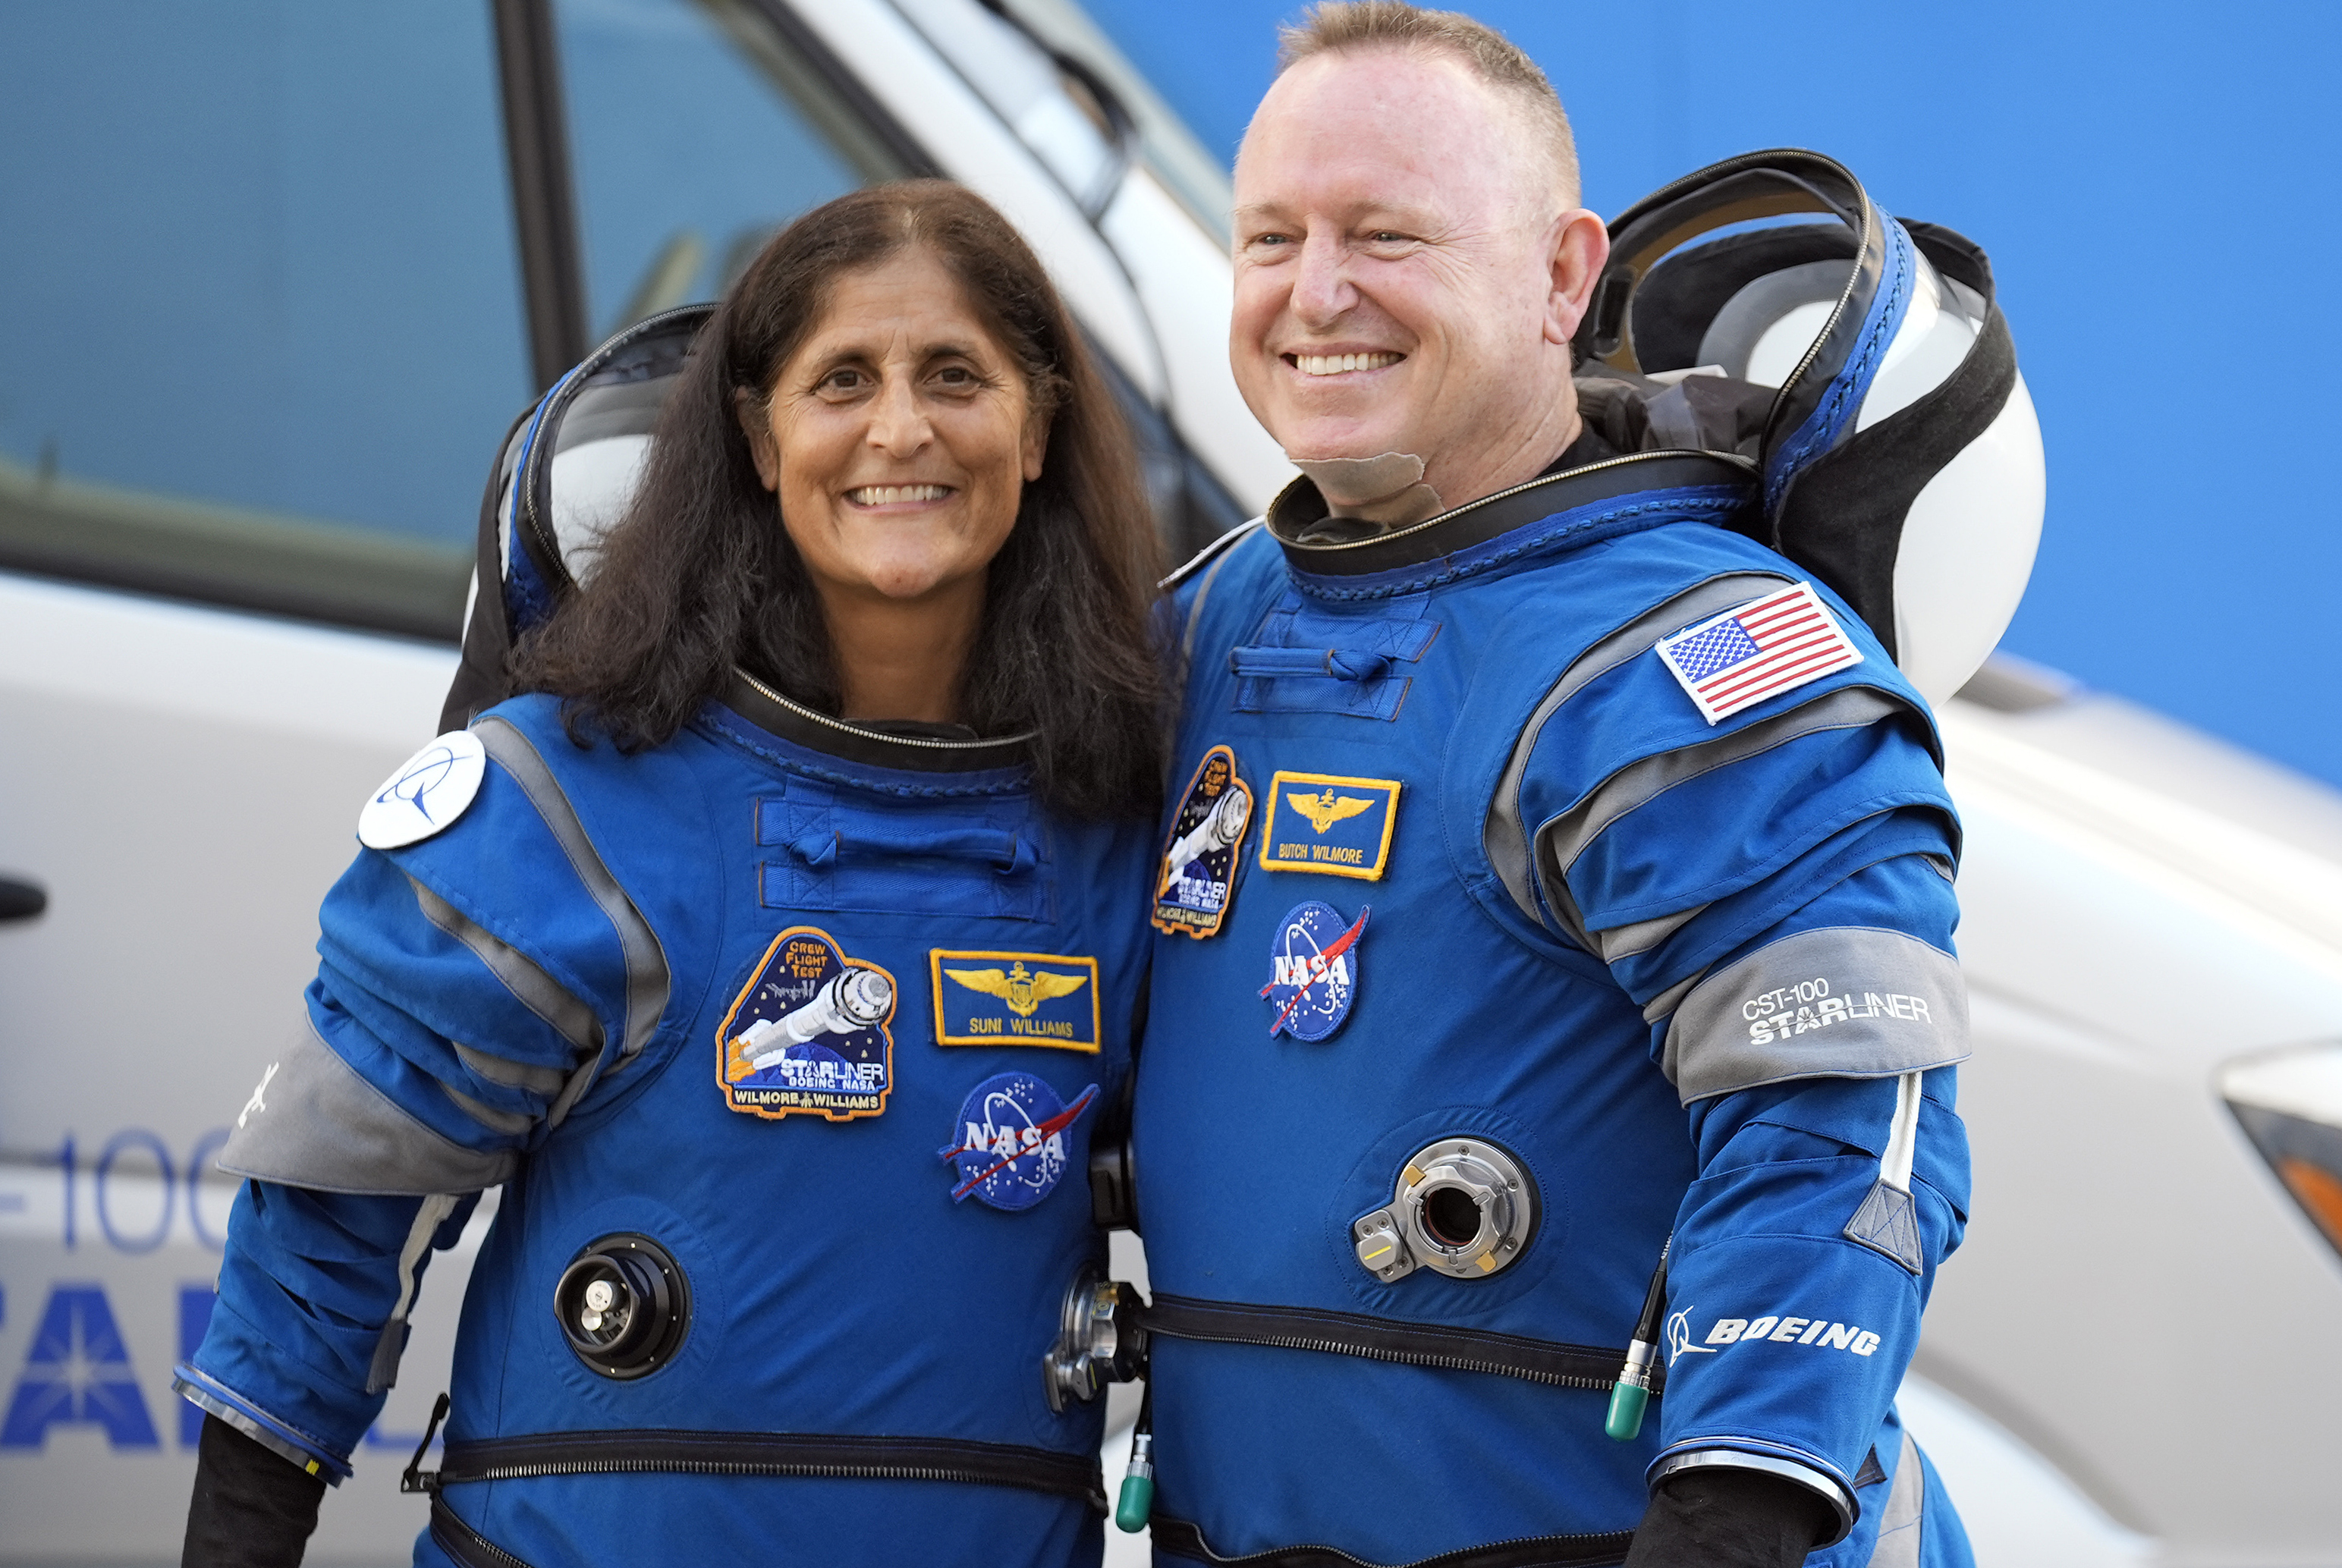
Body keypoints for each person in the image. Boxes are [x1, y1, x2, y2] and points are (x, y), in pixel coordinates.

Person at [174, 181, 1165, 1568]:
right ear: (760, 439)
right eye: (842, 381)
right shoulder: (565, 806)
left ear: (1040, 426)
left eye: (957, 376)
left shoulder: (1124, 825)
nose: (901, 429)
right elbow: (333, 1230)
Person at [1127, 6, 1979, 1566]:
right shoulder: (1209, 622)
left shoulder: (1695, 651)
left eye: (1384, 233)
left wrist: (1737, 1505)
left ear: (1561, 275)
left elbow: (1846, 1117)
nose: (1316, 293)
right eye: (1271, 238)